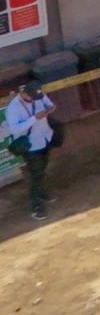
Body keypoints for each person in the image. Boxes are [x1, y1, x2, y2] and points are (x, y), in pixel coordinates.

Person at [4, 79, 56, 218]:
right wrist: (34, 118)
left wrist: (50, 109)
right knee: (35, 174)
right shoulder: (13, 108)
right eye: (33, 97)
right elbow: (14, 129)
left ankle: (40, 194)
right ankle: (36, 206)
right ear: (25, 94)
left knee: (42, 169)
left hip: (44, 138)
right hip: (31, 146)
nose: (36, 99)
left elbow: (49, 104)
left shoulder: (38, 95)